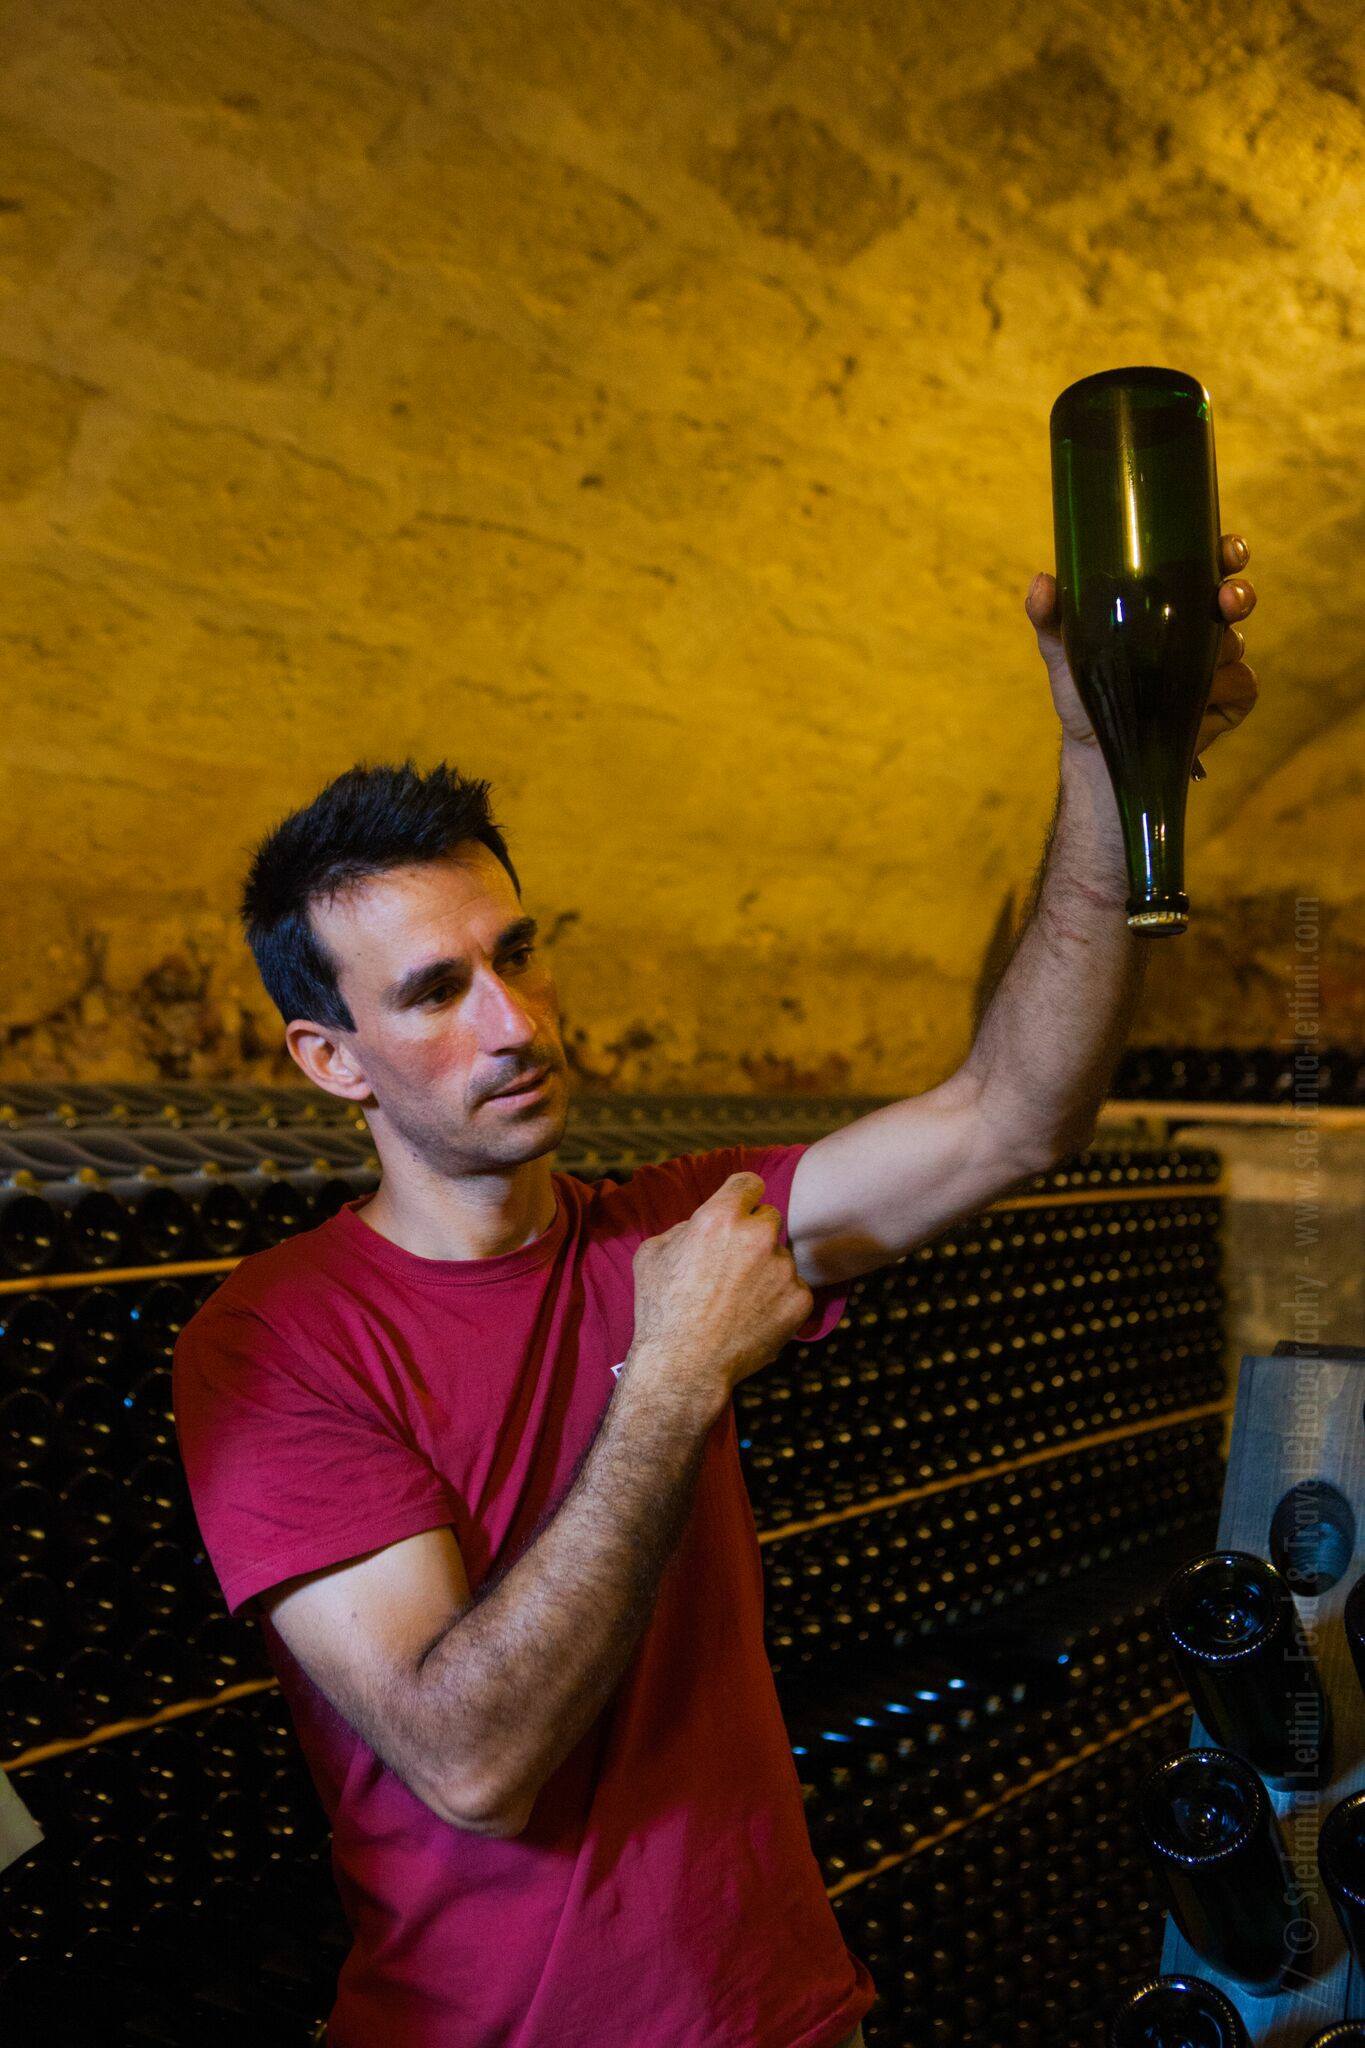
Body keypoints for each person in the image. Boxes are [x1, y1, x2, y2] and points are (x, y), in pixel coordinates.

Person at [172, 545, 1258, 2048]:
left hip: (783, 2014)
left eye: (517, 954)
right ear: (329, 1059)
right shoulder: (278, 1343)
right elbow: (472, 1762)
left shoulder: (675, 1224)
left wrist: (1099, 754)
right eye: (434, 992)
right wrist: (672, 1373)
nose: (514, 1023)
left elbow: (1015, 1114)